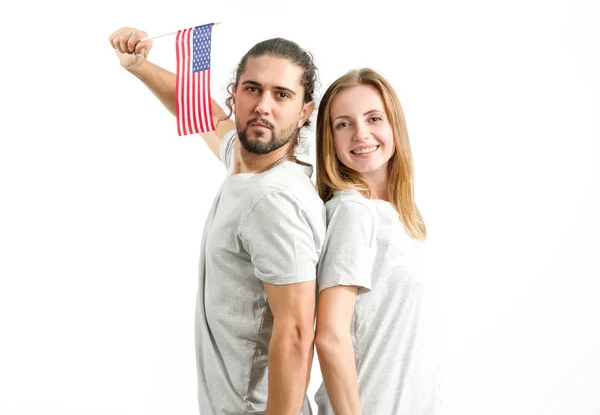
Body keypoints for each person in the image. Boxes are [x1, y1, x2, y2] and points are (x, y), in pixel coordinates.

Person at [108, 27, 325, 415]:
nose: (264, 106)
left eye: (282, 95)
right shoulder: (250, 169)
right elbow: (205, 113)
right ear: (235, 94)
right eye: (252, 89)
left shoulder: (272, 199)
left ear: (305, 110)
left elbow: (295, 332)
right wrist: (139, 66)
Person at [313, 68, 441, 414]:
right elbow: (329, 336)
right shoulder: (354, 211)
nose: (361, 134)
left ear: (393, 125)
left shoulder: (401, 218)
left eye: (373, 118)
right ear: (330, 138)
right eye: (344, 124)